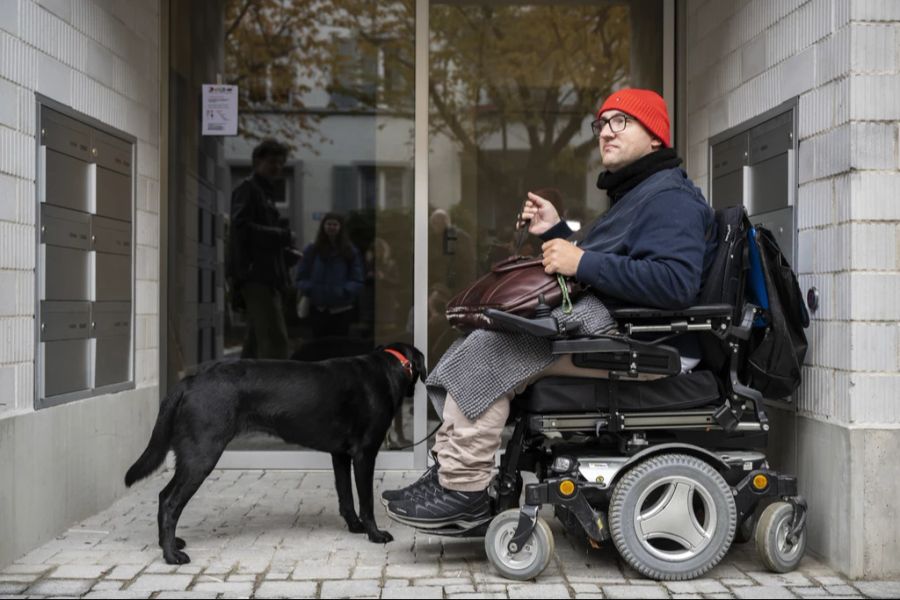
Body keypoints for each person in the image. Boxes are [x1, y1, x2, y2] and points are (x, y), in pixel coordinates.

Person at [383, 88, 718, 528]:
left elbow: (674, 284)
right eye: (602, 124)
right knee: (483, 335)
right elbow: (609, 263)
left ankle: (462, 488)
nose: (606, 132)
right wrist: (555, 231)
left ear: (655, 136)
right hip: (611, 327)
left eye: (622, 122)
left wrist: (581, 259)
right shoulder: (639, 194)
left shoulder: (671, 199)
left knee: (492, 348)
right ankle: (451, 470)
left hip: (648, 341)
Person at [228, 139, 295, 360]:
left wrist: (285, 255)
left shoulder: (263, 192)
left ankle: (245, 386)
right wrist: (281, 236)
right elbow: (241, 228)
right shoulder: (248, 189)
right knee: (275, 340)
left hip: (265, 275)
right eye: (272, 162)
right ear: (258, 161)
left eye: (280, 163)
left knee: (258, 338)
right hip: (257, 276)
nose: (277, 167)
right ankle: (276, 390)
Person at [296, 213, 365, 340]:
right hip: (318, 308)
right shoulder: (312, 250)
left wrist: (344, 291)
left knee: (339, 345)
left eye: (335, 224)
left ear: (340, 227)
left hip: (342, 309)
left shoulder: (350, 251)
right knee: (319, 345)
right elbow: (301, 276)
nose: (331, 227)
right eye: (328, 224)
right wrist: (312, 289)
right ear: (323, 226)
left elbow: (357, 278)